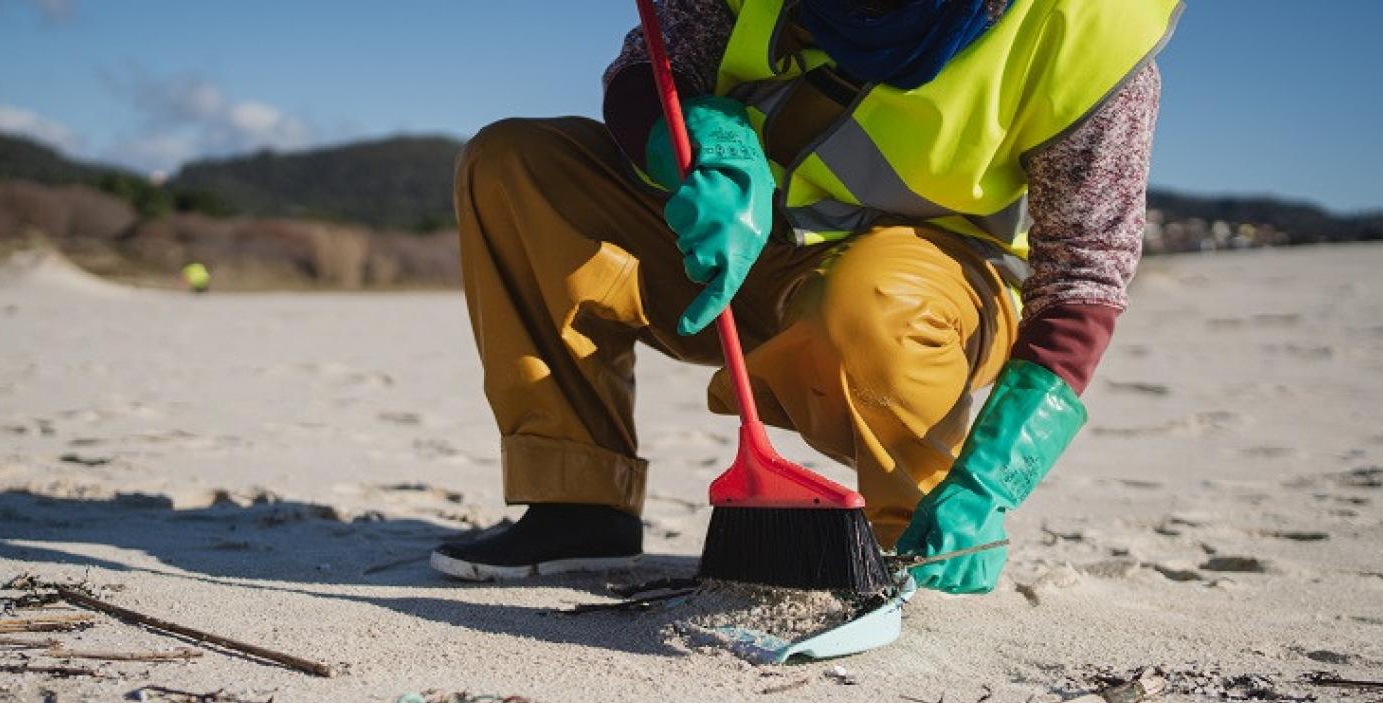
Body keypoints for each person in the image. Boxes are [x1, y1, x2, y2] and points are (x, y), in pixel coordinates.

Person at [432, 0, 1179, 591]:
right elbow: (649, 70)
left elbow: (1085, 273)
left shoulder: (1090, 26)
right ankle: (579, 498)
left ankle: (907, 538)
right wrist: (698, 139)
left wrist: (989, 481)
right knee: (516, 163)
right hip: (735, 254)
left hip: (928, 291)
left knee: (874, 300)